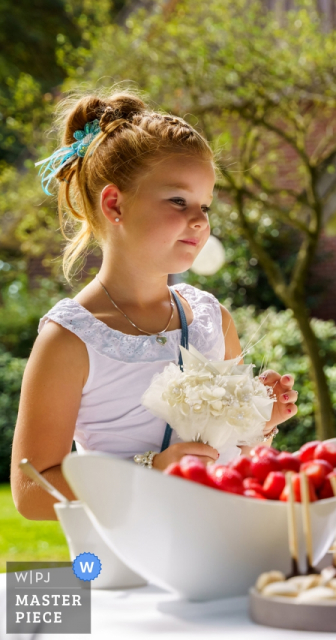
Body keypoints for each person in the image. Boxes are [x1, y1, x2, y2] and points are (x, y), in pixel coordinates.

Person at [12, 92, 298, 520]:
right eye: (178, 201)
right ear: (115, 205)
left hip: (223, 545)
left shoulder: (212, 320)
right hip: (130, 567)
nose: (199, 220)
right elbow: (31, 491)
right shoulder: (69, 340)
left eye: (205, 205)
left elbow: (233, 460)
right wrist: (149, 471)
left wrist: (262, 422)